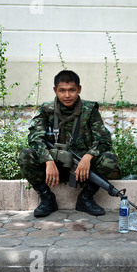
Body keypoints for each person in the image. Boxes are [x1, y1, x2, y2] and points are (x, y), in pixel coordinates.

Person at [18, 70, 120, 217]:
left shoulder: (89, 110)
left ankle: (85, 199)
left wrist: (88, 156)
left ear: (79, 89)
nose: (67, 95)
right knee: (25, 155)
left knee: (109, 160)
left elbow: (104, 139)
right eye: (62, 91)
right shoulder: (47, 110)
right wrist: (48, 160)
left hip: (81, 167)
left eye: (72, 90)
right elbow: (35, 137)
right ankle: (47, 199)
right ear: (55, 90)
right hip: (53, 166)